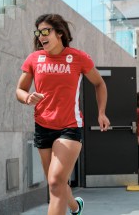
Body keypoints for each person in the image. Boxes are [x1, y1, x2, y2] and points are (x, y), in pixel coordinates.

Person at [16, 14, 110, 215]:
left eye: (45, 31)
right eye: (38, 32)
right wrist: (27, 97)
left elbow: (99, 83)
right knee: (57, 184)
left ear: (59, 33)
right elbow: (19, 90)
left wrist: (101, 113)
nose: (41, 36)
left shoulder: (78, 57)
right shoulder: (34, 59)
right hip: (42, 126)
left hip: (69, 126)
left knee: (55, 181)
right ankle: (76, 207)